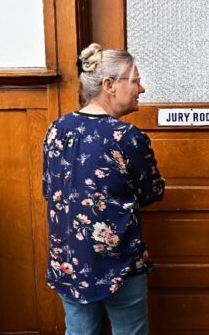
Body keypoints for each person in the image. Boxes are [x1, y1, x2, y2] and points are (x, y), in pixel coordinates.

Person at [42, 43, 165, 335]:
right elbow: (152, 193)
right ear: (110, 85)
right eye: (135, 81)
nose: (142, 88)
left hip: (69, 260)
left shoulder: (57, 129)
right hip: (119, 263)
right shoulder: (127, 137)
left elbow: (51, 191)